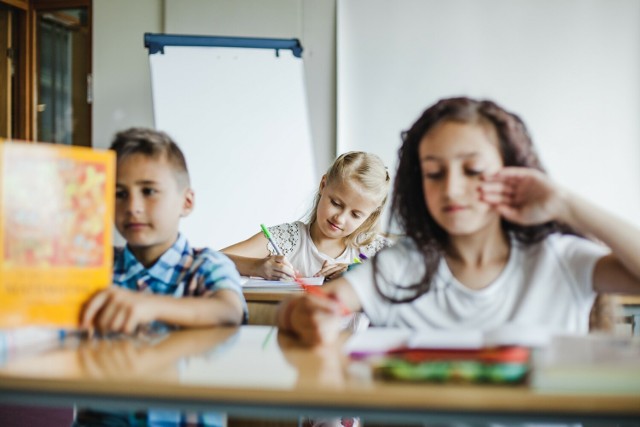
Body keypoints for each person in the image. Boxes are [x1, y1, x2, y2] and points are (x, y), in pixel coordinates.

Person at [277, 96, 640, 347]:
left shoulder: (559, 259)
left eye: (473, 170)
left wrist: (565, 204)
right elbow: (308, 309)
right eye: (434, 173)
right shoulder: (402, 266)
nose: (451, 189)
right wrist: (308, 315)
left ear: (513, 171)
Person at [75, 127, 246, 426]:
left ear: (187, 202)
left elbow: (229, 310)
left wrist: (148, 305)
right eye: (119, 193)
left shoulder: (205, 265)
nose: (133, 207)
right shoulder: (94, 266)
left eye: (149, 191)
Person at [222, 151, 392, 282]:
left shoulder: (374, 250)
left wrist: (356, 272)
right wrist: (256, 267)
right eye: (336, 203)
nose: (340, 219)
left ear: (371, 214)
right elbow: (210, 260)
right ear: (323, 185)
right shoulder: (287, 239)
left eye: (355, 214)